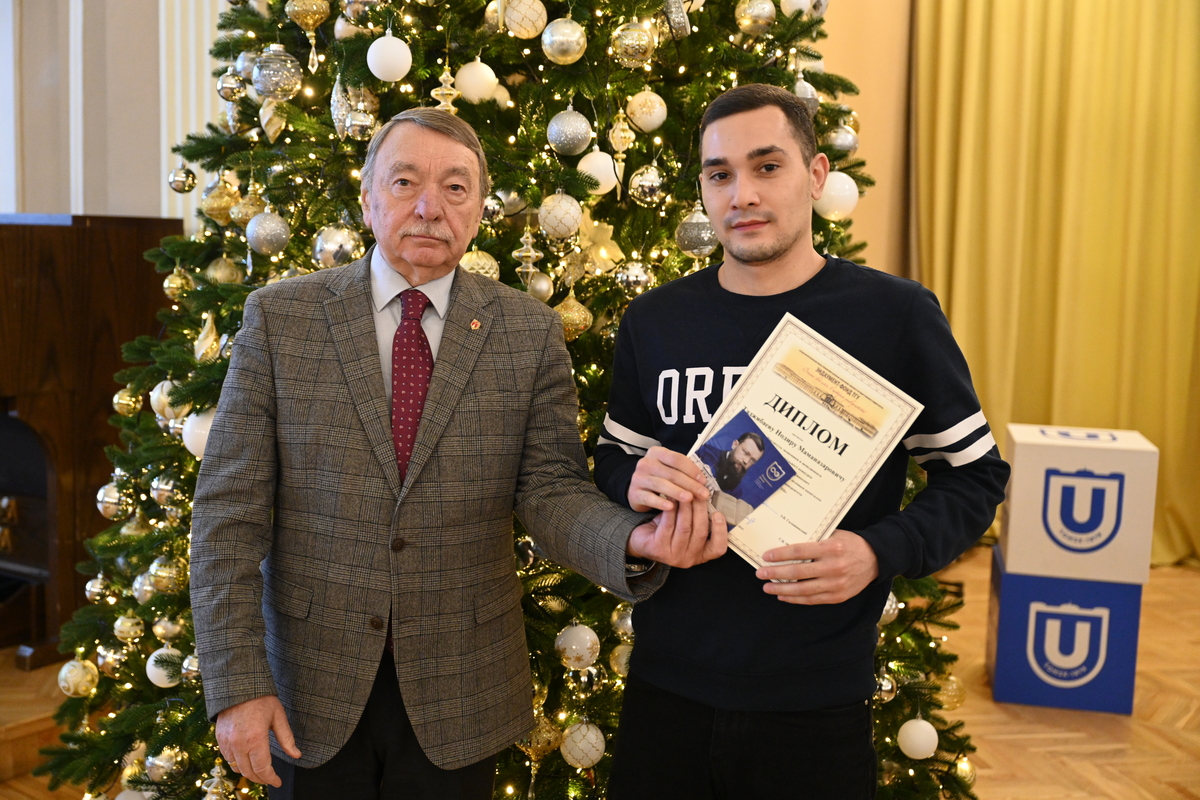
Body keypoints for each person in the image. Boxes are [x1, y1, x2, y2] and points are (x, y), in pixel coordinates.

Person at [189, 108, 727, 800]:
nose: (428, 207)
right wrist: (237, 686)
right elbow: (227, 515)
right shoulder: (281, 318)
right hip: (306, 688)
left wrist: (634, 541)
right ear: (367, 198)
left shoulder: (527, 332)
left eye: (454, 187)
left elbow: (551, 490)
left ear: (477, 210)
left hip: (462, 691)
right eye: (405, 182)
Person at [593, 84, 1010, 799]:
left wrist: (877, 551)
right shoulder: (655, 320)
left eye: (767, 166)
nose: (743, 195)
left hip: (816, 701)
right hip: (665, 689)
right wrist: (630, 480)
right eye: (720, 174)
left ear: (816, 175)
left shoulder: (894, 316)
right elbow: (612, 458)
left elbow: (975, 478)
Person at [695, 430, 765, 493]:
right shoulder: (705, 452)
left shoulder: (736, 492)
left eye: (752, 460)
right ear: (735, 444)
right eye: (746, 452)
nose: (746, 461)